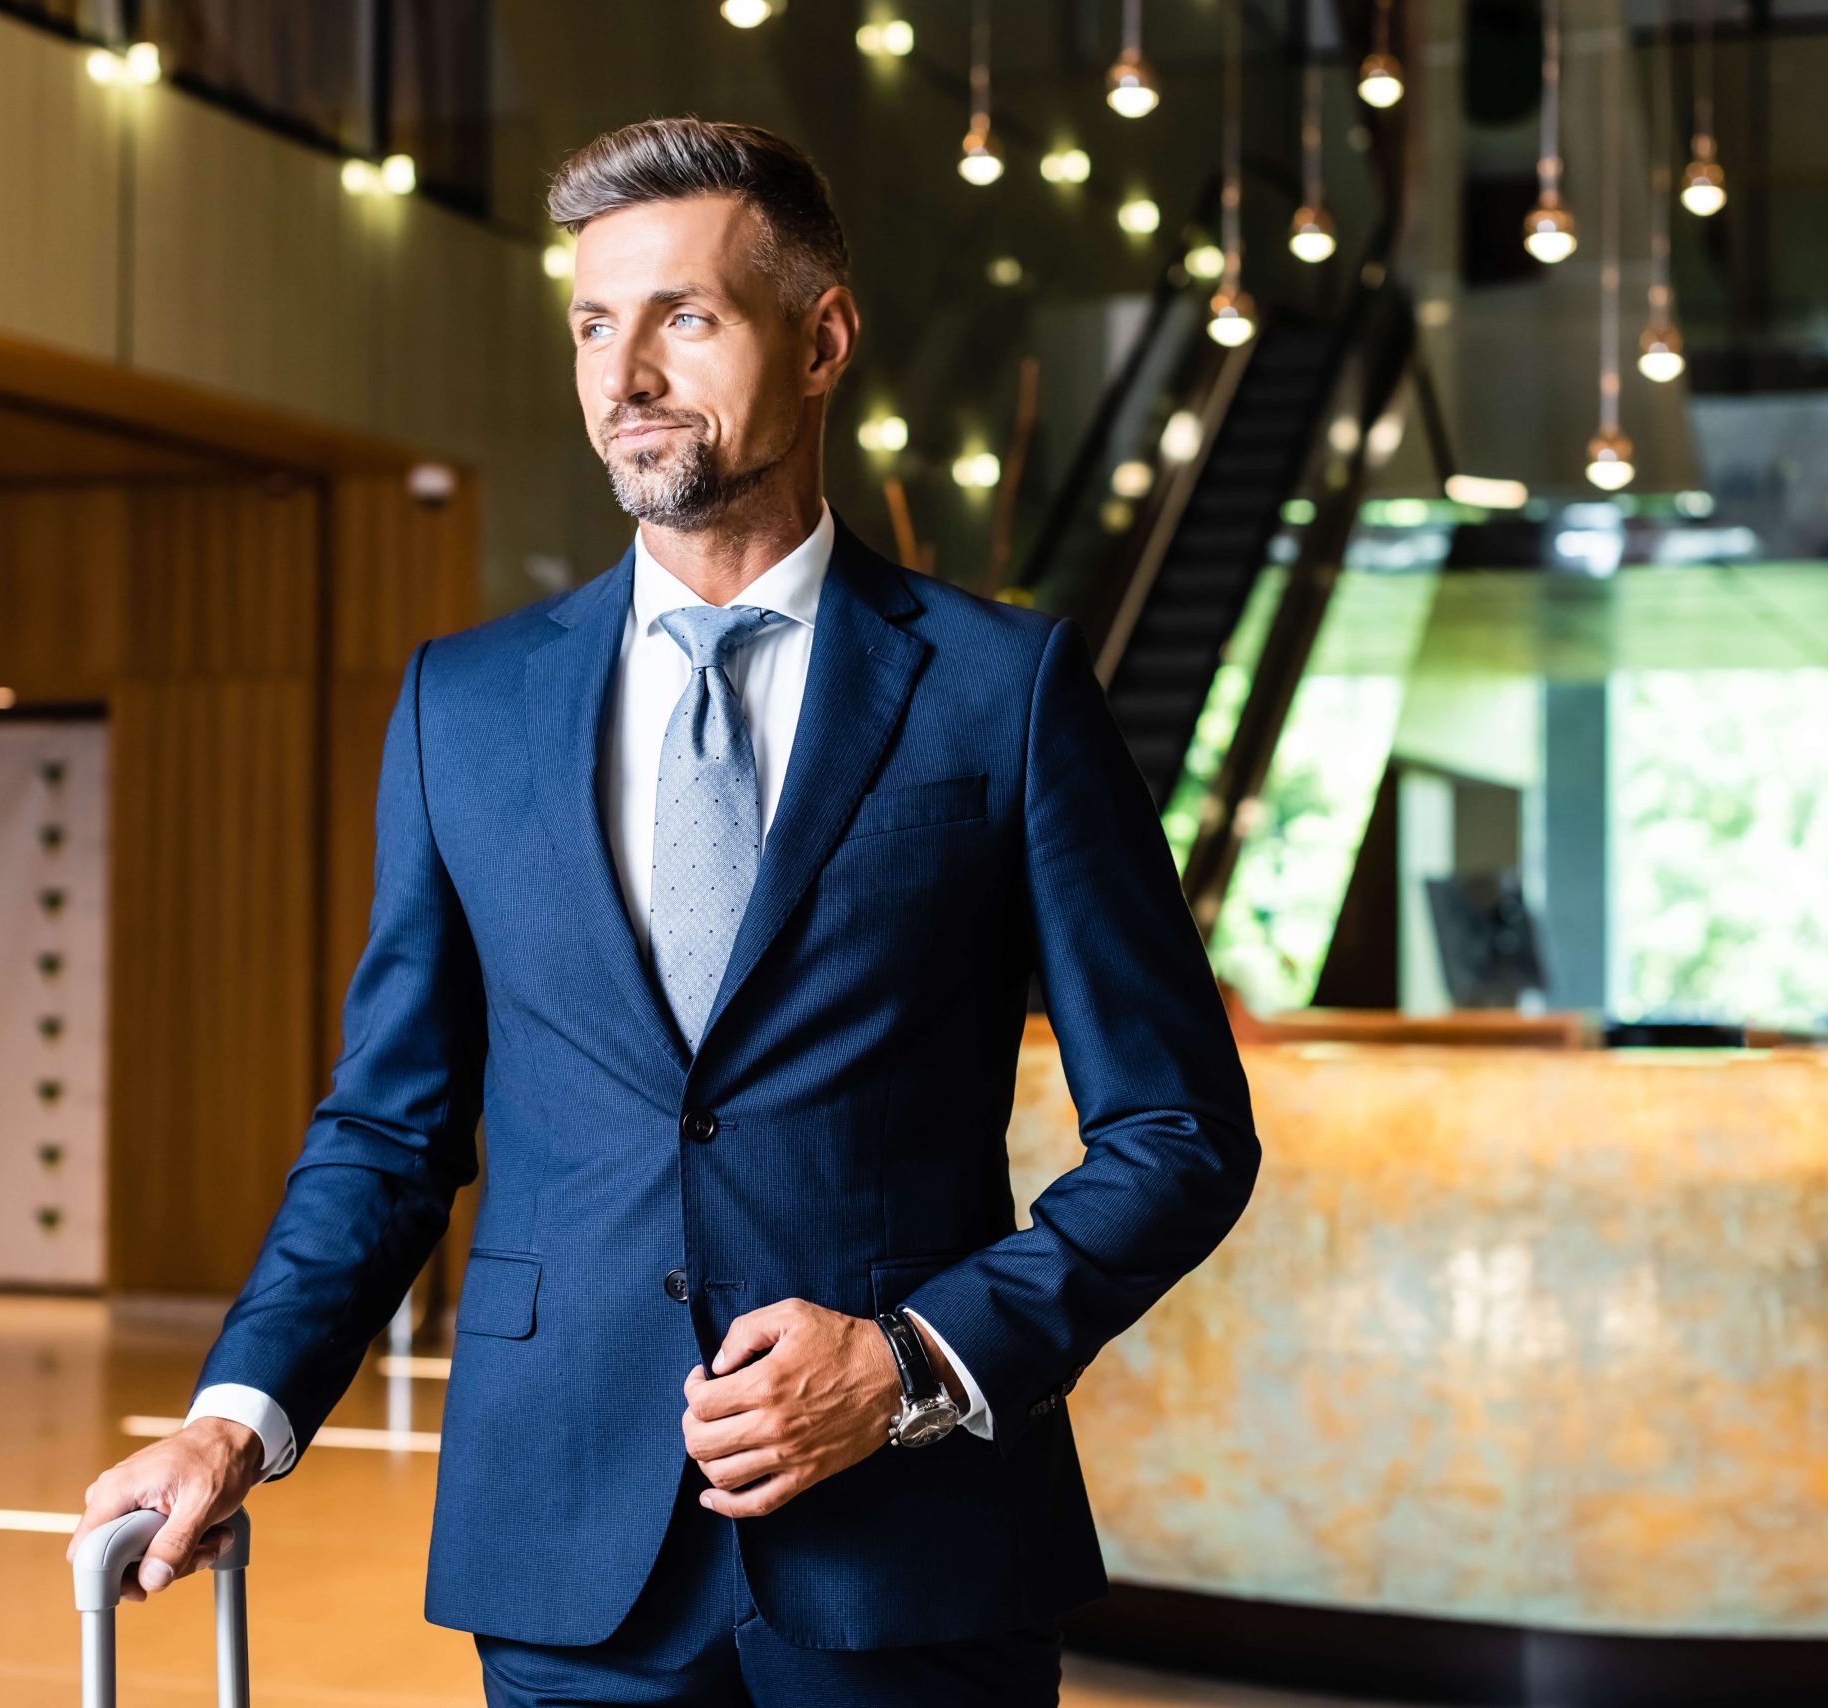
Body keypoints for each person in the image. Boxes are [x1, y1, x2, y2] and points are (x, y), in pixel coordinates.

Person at [67, 115, 1260, 1708]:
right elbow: (391, 1129)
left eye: (683, 317)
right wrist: (237, 1413)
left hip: (912, 1552)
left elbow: (1179, 1131)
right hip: (564, 1548)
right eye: (591, 324)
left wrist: (913, 1363)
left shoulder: (1004, 690)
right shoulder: (462, 708)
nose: (623, 374)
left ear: (821, 338)